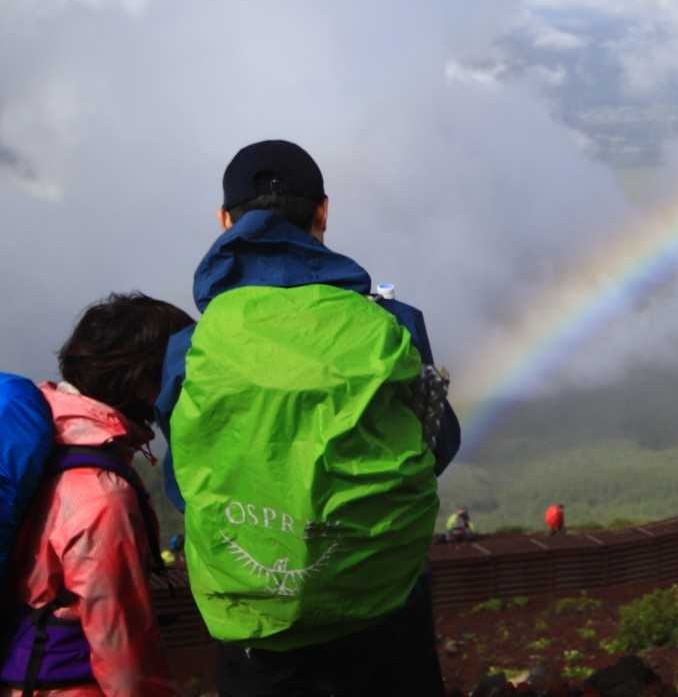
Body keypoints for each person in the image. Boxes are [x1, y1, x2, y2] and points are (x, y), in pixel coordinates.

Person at [154, 139, 461, 697]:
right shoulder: (392, 324)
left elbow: (182, 483)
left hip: (253, 624)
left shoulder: (191, 347)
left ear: (224, 220)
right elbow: (437, 447)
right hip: (383, 610)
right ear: (323, 212)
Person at [3, 293, 192, 697]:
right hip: (70, 684)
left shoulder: (42, 440)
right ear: (144, 381)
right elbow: (122, 650)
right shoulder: (102, 493)